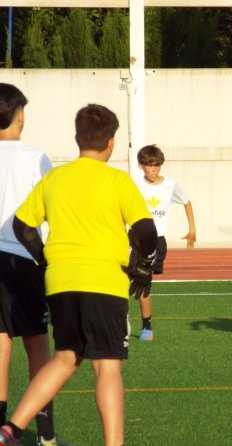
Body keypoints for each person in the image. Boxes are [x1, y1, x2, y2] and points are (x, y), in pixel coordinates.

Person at [0, 104, 157, 446]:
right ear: (111, 142)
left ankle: (10, 430)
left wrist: (45, 261)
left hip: (61, 283)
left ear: (77, 137)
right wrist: (143, 265)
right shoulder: (118, 180)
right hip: (104, 282)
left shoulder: (55, 177)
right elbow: (146, 232)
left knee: (66, 358)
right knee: (107, 366)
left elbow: (22, 226)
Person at [0, 83, 68, 446]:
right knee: (38, 346)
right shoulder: (35, 157)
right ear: (20, 116)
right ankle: (45, 434)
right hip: (23, 259)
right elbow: (50, 212)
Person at [132, 144, 196, 341]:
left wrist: (192, 229)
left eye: (157, 165)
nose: (154, 170)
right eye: (150, 166)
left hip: (155, 241)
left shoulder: (171, 185)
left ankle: (146, 328)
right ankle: (119, 320)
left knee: (143, 282)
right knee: (122, 278)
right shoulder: (133, 184)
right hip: (133, 238)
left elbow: (186, 201)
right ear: (140, 166)